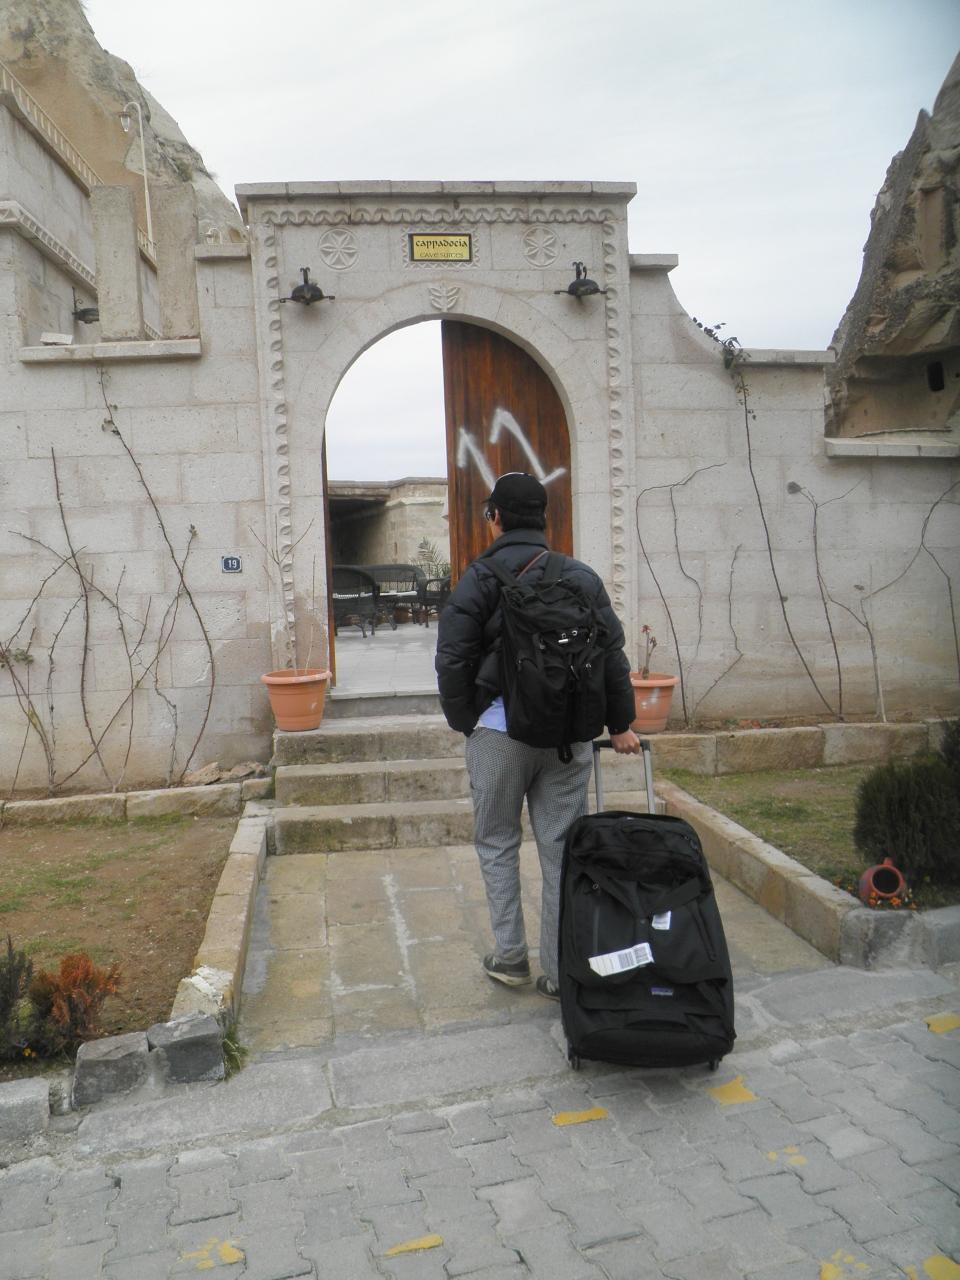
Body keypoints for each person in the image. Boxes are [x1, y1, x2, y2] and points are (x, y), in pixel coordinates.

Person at [435, 471, 640, 999]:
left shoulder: (479, 579)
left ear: (495, 518)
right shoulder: (581, 577)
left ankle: (510, 958)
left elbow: (453, 658)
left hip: (499, 734)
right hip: (568, 738)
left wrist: (467, 721)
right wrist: (620, 723)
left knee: (497, 842)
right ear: (544, 518)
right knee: (560, 849)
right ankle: (556, 969)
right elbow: (613, 654)